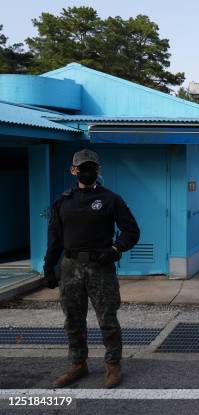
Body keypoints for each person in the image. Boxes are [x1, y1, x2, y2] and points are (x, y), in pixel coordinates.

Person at [43, 149, 140, 389]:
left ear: (98, 170)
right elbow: (54, 237)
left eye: (91, 167)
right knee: (73, 320)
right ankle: (78, 364)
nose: (87, 171)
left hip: (101, 267)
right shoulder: (62, 201)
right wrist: (48, 266)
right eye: (82, 167)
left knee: (107, 318)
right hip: (70, 268)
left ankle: (113, 365)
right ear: (73, 170)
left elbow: (132, 232)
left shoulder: (111, 199)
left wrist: (115, 250)